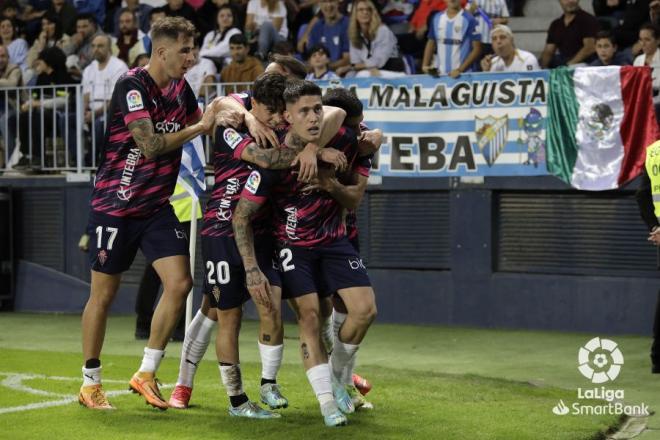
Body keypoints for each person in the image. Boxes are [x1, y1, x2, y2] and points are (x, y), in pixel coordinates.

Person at [78, 16, 216, 411]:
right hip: (114, 208)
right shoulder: (131, 85)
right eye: (185, 51)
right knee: (102, 296)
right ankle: (90, 382)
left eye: (193, 49)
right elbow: (151, 144)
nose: (191, 58)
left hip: (156, 206)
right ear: (162, 51)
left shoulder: (181, 88)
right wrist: (199, 128)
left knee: (180, 283)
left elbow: (203, 119)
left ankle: (146, 372)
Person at [232, 80, 376, 427]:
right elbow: (242, 214)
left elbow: (343, 115)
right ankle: (327, 405)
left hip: (334, 240)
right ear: (286, 116)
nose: (314, 116)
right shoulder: (273, 160)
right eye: (304, 111)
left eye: (317, 109)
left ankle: (339, 379)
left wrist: (320, 161)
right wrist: (252, 268)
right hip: (293, 246)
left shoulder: (343, 138)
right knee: (309, 318)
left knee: (365, 311)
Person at [134, 181, 201, 341]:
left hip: (181, 212)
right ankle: (147, 324)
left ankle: (159, 326)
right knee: (163, 274)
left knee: (167, 274)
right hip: (166, 214)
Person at [11, 46, 74, 171]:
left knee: (37, 117)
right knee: (24, 116)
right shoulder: (42, 77)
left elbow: (64, 101)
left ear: (49, 61)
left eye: (41, 60)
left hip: (58, 115)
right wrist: (27, 104)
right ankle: (26, 155)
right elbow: (34, 97)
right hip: (40, 113)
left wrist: (40, 103)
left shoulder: (63, 76)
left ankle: (39, 157)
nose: (39, 63)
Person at [82, 34, 128, 165]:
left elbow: (116, 99)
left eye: (100, 46)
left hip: (112, 111)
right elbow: (85, 95)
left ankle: (93, 161)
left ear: (109, 48)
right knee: (67, 120)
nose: (96, 49)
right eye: (94, 46)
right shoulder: (89, 69)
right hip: (91, 110)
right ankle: (77, 160)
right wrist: (85, 111)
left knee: (99, 123)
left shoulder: (119, 66)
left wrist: (94, 114)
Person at [336, 0, 406, 78]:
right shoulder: (354, 34)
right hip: (370, 71)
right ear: (355, 14)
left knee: (362, 75)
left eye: (368, 9)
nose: (365, 12)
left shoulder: (383, 31)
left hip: (393, 71)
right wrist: (365, 68)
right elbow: (356, 62)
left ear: (373, 13)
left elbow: (378, 61)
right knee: (349, 76)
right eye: (361, 10)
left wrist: (349, 67)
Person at [422, 0, 482, 77]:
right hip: (440, 75)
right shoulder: (436, 18)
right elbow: (431, 42)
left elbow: (477, 49)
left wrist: (460, 70)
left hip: (463, 75)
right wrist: (424, 65)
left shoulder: (470, 20)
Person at [540, 0, 599, 68]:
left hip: (583, 65)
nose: (570, 1)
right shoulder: (556, 24)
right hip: (563, 63)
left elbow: (590, 47)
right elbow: (548, 52)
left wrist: (568, 66)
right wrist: (542, 70)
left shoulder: (589, 20)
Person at [298, 0, 350, 71]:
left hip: (340, 72)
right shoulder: (317, 26)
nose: (328, 5)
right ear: (319, 4)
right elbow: (311, 57)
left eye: (331, 1)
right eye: (324, 1)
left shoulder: (347, 24)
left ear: (338, 2)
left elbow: (347, 59)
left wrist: (324, 67)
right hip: (319, 72)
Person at [62, 14, 104, 78]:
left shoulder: (102, 40)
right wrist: (73, 44)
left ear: (93, 26)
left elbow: (99, 66)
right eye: (78, 27)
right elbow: (61, 56)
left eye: (84, 26)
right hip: (77, 78)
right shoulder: (78, 38)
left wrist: (80, 73)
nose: (81, 30)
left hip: (95, 79)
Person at [634, 23, 660, 117]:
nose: (643, 44)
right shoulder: (638, 60)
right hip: (643, 103)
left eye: (647, 40)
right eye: (641, 40)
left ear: (657, 41)